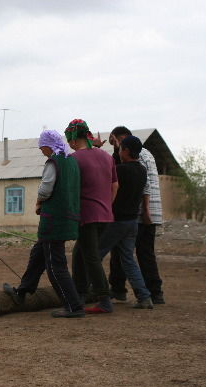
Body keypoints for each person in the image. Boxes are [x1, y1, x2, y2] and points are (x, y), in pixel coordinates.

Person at [4, 130, 84, 318]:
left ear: (48, 144)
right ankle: (22, 292)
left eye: (41, 146)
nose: (41, 150)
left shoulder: (53, 162)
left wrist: (39, 201)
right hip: (67, 217)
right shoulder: (72, 161)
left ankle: (73, 306)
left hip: (54, 220)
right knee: (38, 254)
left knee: (56, 266)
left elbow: (46, 188)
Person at [66, 119, 118, 314]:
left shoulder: (74, 159)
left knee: (91, 257)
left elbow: (70, 190)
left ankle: (104, 299)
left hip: (87, 215)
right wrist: (106, 205)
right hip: (105, 214)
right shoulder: (106, 157)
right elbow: (115, 186)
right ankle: (79, 294)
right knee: (80, 253)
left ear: (72, 140)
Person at [108, 126, 165, 304]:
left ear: (122, 140)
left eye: (117, 143)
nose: (117, 148)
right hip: (142, 211)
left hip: (141, 212)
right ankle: (121, 289)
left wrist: (145, 211)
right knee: (124, 253)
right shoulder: (145, 153)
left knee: (140, 253)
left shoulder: (141, 157)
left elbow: (144, 184)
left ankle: (153, 293)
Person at [98, 136, 153, 309]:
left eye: (121, 148)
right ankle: (144, 296)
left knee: (93, 255)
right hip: (132, 223)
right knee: (128, 260)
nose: (119, 151)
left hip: (116, 222)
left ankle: (91, 292)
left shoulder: (121, 171)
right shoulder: (142, 171)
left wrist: (98, 149)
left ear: (127, 151)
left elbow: (108, 170)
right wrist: (115, 149)